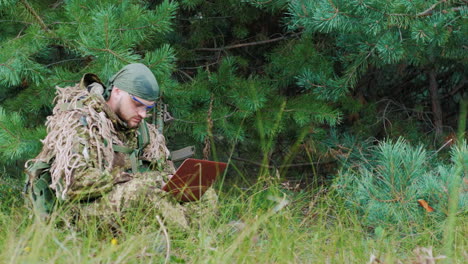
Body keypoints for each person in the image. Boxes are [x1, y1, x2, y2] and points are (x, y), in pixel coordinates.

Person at [25, 63, 215, 230]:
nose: (142, 114)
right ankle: (184, 242)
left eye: (148, 109)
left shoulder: (145, 132)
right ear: (117, 92)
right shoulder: (81, 123)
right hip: (77, 213)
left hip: (129, 204)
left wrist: (173, 181)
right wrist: (134, 180)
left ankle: (203, 236)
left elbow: (163, 174)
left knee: (203, 192)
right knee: (143, 193)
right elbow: (72, 184)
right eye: (137, 104)